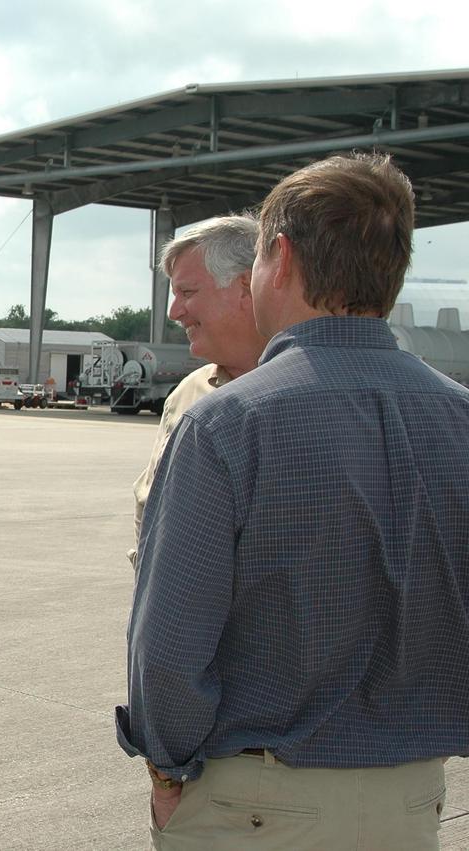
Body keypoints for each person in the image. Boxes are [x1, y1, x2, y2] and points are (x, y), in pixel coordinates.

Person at [117, 152, 469, 850]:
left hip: (255, 804)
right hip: (413, 802)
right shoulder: (459, 418)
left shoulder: (225, 423)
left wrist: (165, 773)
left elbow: (168, 656)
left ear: (277, 255)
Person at [128, 215, 264, 566]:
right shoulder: (189, 392)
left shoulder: (310, 393)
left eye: (187, 292)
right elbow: (150, 502)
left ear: (246, 288)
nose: (175, 312)